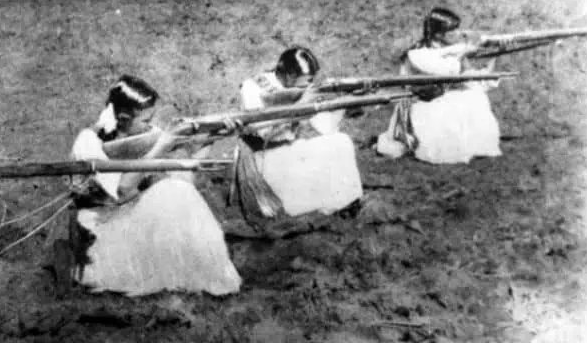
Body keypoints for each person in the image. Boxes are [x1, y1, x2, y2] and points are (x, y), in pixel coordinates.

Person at [61, 75, 242, 297]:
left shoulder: (147, 135)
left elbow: (186, 181)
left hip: (128, 220)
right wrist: (161, 147)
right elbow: (120, 191)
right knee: (173, 191)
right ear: (124, 117)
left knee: (177, 188)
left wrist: (210, 139)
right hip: (100, 234)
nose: (150, 126)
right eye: (145, 121)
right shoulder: (88, 141)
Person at [232, 46, 364, 233]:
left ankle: (346, 201)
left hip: (289, 149)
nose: (305, 86)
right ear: (289, 75)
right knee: (300, 196)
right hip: (262, 157)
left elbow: (325, 127)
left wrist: (346, 104)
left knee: (341, 142)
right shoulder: (252, 88)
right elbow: (263, 131)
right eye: (303, 82)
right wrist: (301, 104)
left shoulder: (299, 88)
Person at [374, 7, 504, 164]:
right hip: (422, 104)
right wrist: (462, 53)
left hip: (440, 98)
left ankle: (474, 146)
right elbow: (447, 71)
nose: (459, 34)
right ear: (437, 34)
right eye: (452, 31)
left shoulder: (451, 52)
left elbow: (473, 80)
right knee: (452, 106)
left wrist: (496, 55)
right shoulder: (418, 54)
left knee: (474, 96)